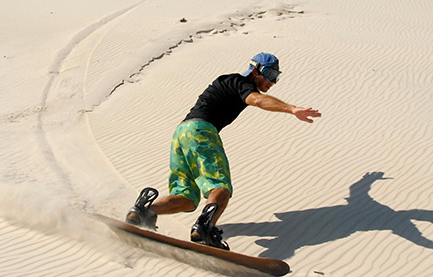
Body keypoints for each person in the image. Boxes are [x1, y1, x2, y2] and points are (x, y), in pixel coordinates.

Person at [126, 52, 321, 250]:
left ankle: (145, 211)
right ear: (255, 71)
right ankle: (205, 228)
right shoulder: (240, 82)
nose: (273, 82)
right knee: (220, 187)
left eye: (277, 77)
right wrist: (292, 109)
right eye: (270, 75)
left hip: (181, 134)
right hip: (202, 131)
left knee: (187, 198)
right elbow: (258, 100)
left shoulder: (229, 82)